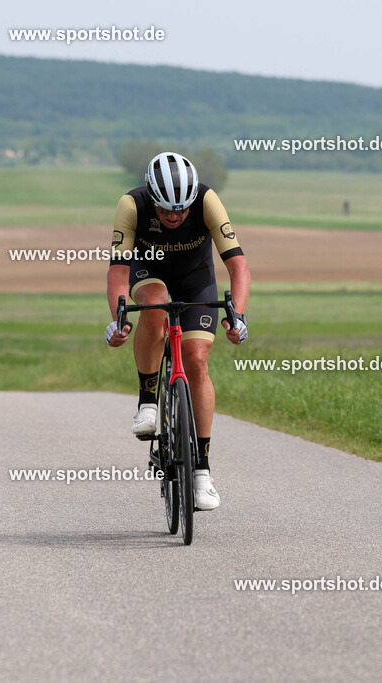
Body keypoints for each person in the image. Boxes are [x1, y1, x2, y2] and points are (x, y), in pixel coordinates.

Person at [104, 152, 250, 510]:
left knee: (196, 361)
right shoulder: (132, 204)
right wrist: (120, 318)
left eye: (181, 210)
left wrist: (239, 315)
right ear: (152, 197)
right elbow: (118, 271)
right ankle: (148, 402)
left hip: (196, 279)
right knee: (154, 304)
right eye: (166, 209)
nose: (173, 216)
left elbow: (239, 265)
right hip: (147, 272)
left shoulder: (207, 199)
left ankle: (201, 472)